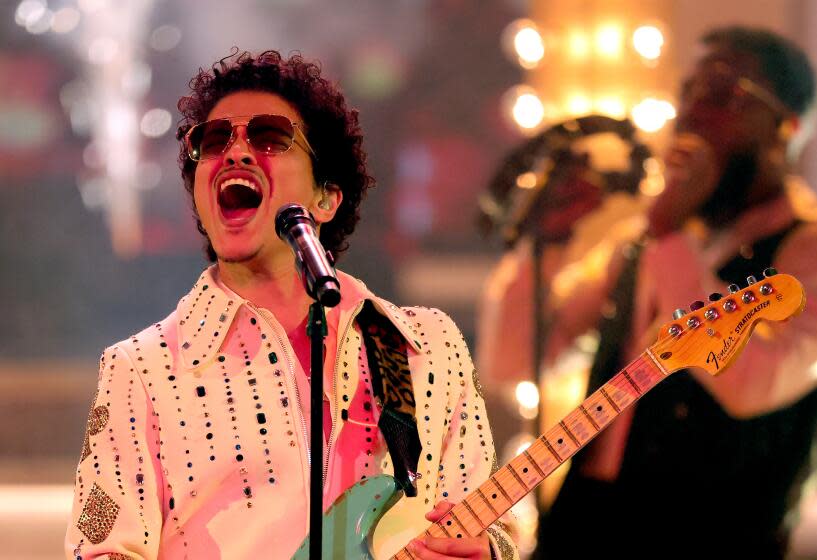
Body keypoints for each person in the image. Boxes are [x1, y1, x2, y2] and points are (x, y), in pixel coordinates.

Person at [65, 50, 518, 560]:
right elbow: (101, 550)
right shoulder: (142, 369)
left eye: (268, 137)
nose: (235, 152)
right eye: (213, 140)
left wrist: (487, 553)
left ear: (326, 198)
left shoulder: (428, 344)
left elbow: (494, 528)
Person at [525, 27, 817, 559]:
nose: (692, 113)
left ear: (786, 129)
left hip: (714, 539)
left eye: (724, 94)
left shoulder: (807, 247)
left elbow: (754, 384)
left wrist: (668, 235)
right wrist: (543, 242)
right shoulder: (650, 231)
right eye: (690, 91)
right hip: (587, 522)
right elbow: (524, 349)